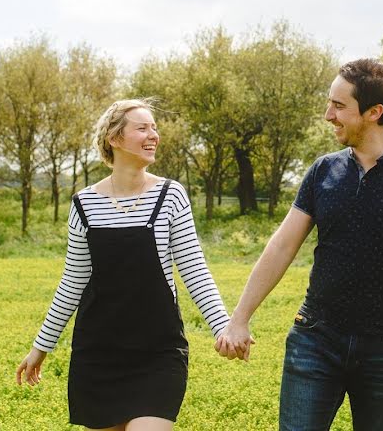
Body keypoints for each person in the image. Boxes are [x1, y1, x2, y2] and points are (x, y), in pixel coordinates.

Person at [215, 58, 383, 431]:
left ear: (373, 112)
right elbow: (282, 247)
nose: (327, 115)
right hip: (315, 339)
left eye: (338, 105)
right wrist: (239, 318)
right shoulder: (323, 171)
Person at [16, 99, 232, 431]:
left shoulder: (170, 196)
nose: (154, 135)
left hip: (158, 353)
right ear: (115, 138)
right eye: (143, 128)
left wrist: (224, 328)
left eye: (155, 128)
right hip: (99, 356)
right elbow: (72, 283)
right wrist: (40, 348)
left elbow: (194, 270)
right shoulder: (84, 205)